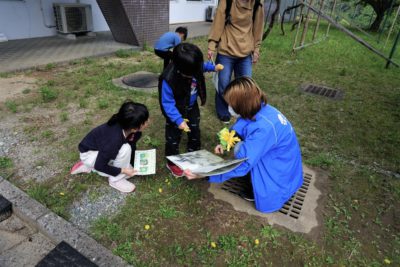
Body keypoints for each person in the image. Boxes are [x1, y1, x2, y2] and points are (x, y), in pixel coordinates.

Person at [184, 77, 303, 213]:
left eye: (231, 104)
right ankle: (256, 180)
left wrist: (206, 174)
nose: (228, 108)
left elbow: (243, 163)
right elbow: (242, 126)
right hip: (284, 161)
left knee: (242, 153)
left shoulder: (263, 130)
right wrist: (224, 143)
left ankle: (257, 188)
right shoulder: (259, 108)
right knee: (241, 147)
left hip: (278, 170)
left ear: (243, 105)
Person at [159, 43, 219, 177]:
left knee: (194, 129)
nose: (197, 71)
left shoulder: (193, 65)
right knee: (173, 137)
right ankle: (172, 162)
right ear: (181, 70)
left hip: (191, 107)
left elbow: (201, 66)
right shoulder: (168, 79)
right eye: (193, 71)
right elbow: (167, 103)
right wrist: (178, 120)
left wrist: (213, 67)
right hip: (176, 110)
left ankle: (193, 152)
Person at [70, 101, 149, 193]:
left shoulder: (126, 124)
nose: (148, 122)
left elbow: (132, 145)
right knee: (125, 149)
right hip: (89, 155)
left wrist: (133, 162)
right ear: (134, 128)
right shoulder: (114, 140)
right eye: (145, 121)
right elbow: (100, 166)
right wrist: (123, 170)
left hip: (99, 150)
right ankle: (115, 180)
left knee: (127, 155)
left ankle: (87, 165)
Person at [208, 0, 265, 123]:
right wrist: (212, 45)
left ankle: (241, 109)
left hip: (245, 51)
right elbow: (219, 20)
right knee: (223, 84)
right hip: (226, 50)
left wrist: (256, 48)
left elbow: (258, 25)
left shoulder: (257, 3)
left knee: (246, 86)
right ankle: (223, 111)